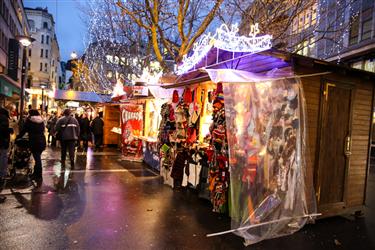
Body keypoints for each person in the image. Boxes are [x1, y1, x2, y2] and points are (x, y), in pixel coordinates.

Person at [17, 109, 46, 181]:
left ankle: (38, 175)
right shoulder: (41, 121)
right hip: (42, 140)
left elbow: (24, 130)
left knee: (37, 159)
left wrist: (18, 137)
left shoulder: (29, 121)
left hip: (34, 141)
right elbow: (43, 130)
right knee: (37, 158)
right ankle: (36, 174)